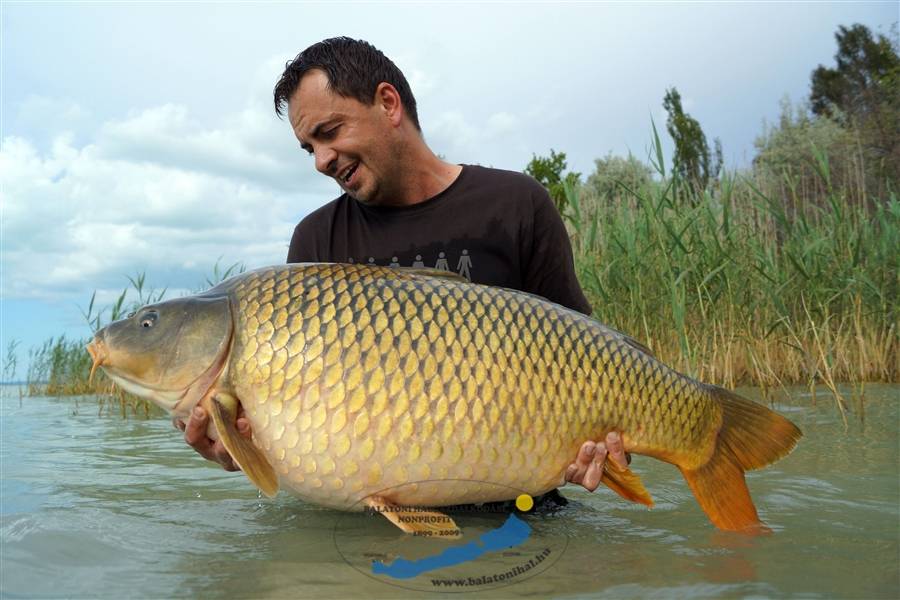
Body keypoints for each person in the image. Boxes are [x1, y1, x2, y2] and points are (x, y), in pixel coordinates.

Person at [179, 37, 629, 502]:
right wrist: (244, 446)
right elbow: (306, 430)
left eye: (329, 132)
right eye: (307, 147)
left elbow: (586, 356)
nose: (320, 161)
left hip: (519, 519)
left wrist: (597, 451)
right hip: (365, 539)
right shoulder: (316, 243)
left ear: (388, 103)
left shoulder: (516, 204)